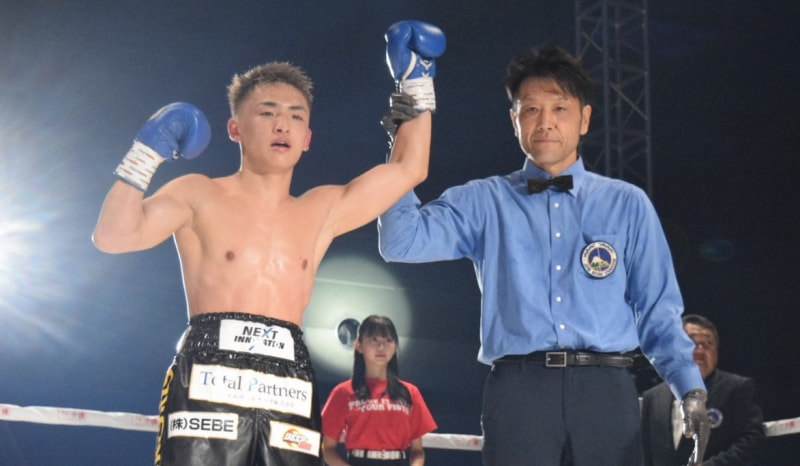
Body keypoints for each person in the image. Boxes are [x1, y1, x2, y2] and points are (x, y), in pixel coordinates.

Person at [92, 20, 445, 466]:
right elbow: (113, 236)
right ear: (235, 128)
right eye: (267, 113)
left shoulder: (320, 210)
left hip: (289, 380)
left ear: (308, 138)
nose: (283, 125)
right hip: (209, 374)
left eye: (296, 116)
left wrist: (416, 82)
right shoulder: (197, 194)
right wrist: (147, 152)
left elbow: (410, 170)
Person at [376, 44, 710, 465]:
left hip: (606, 390)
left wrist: (689, 387)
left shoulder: (627, 204)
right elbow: (401, 241)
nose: (546, 121)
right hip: (519, 392)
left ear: (584, 119)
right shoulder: (485, 200)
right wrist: (402, 147)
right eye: (531, 109)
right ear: (514, 119)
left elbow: (657, 307)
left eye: (560, 108)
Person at [641, 314, 766, 465]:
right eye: (692, 343)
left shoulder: (736, 388)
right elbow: (645, 452)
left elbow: (751, 441)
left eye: (708, 344)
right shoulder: (653, 397)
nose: (700, 350)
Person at [320, 315, 437, 466]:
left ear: (395, 346)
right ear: (359, 346)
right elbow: (327, 449)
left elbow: (418, 451)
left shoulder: (410, 392)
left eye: (388, 340)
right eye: (374, 339)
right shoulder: (343, 392)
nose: (381, 347)